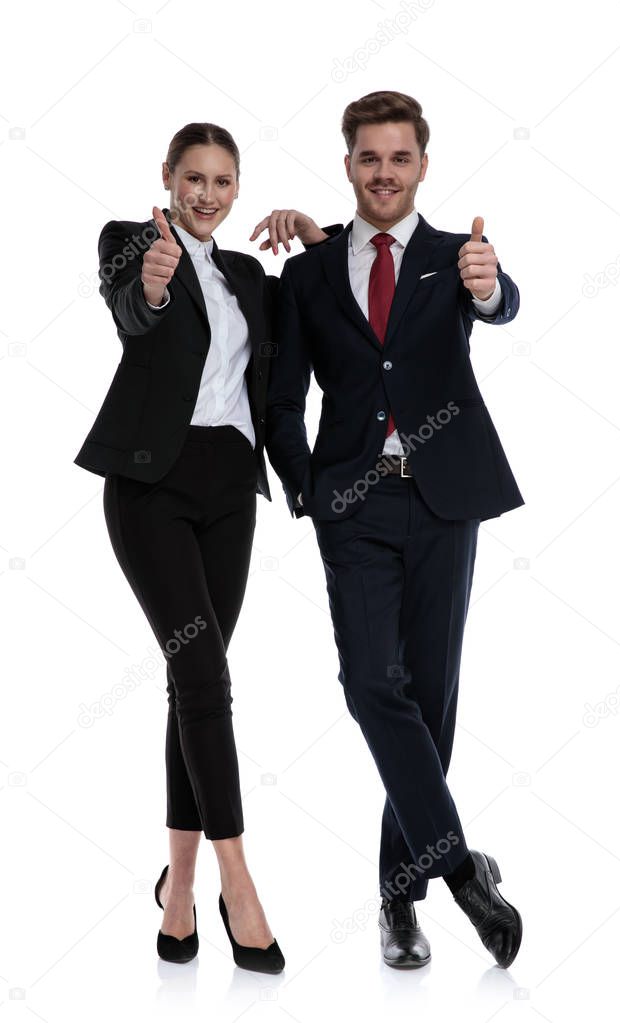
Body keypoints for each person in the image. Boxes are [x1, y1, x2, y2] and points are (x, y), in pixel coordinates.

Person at [265, 91, 524, 969]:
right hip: (353, 507)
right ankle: (460, 871)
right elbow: (284, 394)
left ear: (423, 165)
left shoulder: (460, 257)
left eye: (399, 158)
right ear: (347, 165)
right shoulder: (311, 270)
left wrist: (490, 291)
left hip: (445, 498)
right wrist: (309, 489)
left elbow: (501, 301)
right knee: (373, 684)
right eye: (368, 158)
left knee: (430, 702)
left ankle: (398, 897)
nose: (384, 173)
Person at [73, 121, 340, 972]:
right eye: (194, 178)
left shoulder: (249, 277)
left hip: (232, 490)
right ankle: (239, 880)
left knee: (193, 686)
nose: (208, 195)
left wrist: (316, 236)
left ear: (236, 189)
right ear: (168, 177)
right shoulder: (131, 242)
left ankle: (177, 890)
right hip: (152, 485)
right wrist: (152, 286)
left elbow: (334, 304)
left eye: (224, 182)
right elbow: (132, 308)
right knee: (205, 678)